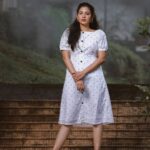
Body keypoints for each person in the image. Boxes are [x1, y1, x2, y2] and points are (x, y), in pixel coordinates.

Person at [53, 2, 114, 150]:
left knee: (96, 119)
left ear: (92, 16)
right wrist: (77, 77)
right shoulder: (68, 32)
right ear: (77, 15)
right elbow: (66, 57)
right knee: (67, 118)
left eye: (87, 13)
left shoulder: (100, 34)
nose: (83, 16)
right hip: (72, 77)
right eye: (81, 13)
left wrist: (84, 73)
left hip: (94, 79)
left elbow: (101, 58)